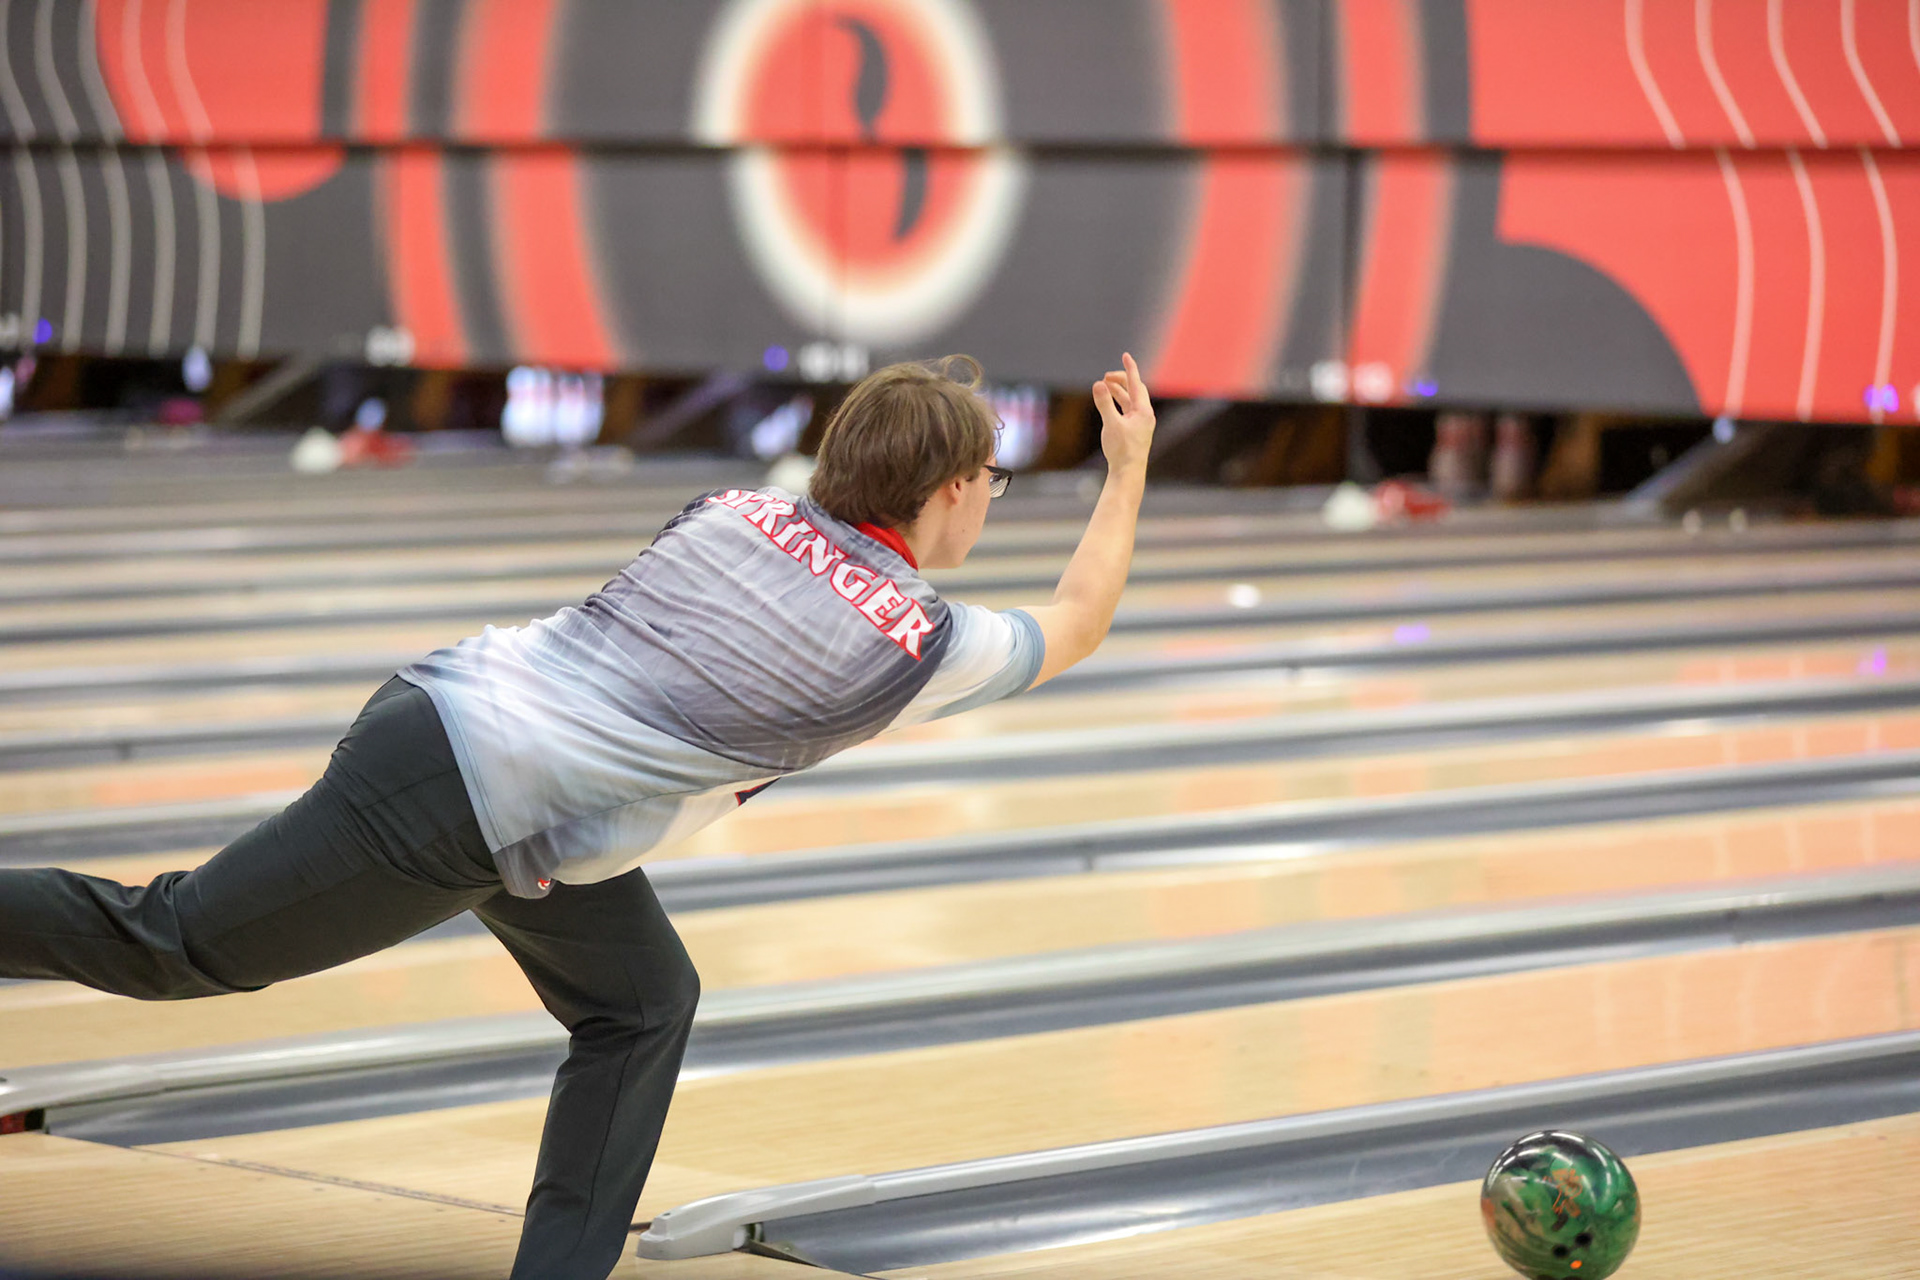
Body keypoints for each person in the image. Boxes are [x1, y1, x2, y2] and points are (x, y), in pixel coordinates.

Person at [0, 352, 1157, 1279]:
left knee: (643, 1001)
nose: (992, 500)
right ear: (952, 489)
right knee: (176, 941)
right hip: (456, 800)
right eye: (993, 480)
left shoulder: (735, 509)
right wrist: (1126, 467)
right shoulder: (920, 640)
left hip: (469, 747)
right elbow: (1081, 616)